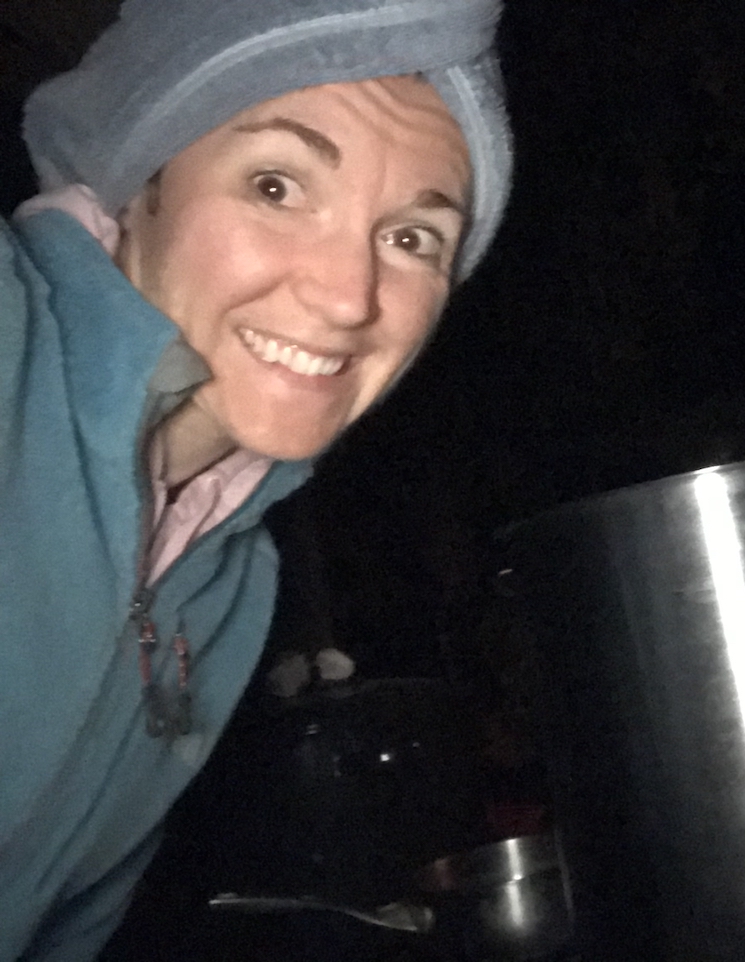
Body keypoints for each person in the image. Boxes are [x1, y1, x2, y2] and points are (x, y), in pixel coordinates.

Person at [0, 0, 512, 957]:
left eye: (411, 239)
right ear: (136, 185)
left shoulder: (234, 586)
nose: (348, 296)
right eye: (276, 186)